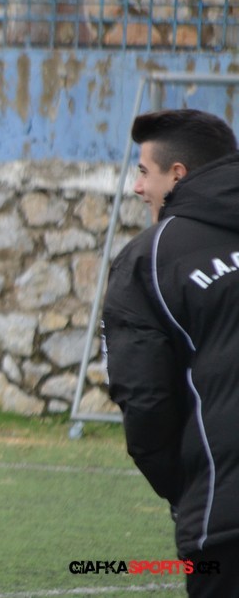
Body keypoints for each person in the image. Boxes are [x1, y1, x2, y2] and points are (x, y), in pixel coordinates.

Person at [102, 108, 239, 597]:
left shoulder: (151, 257)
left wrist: (187, 491)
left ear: (177, 174)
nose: (138, 187)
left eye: (144, 172)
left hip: (226, 520)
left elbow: (145, 402)